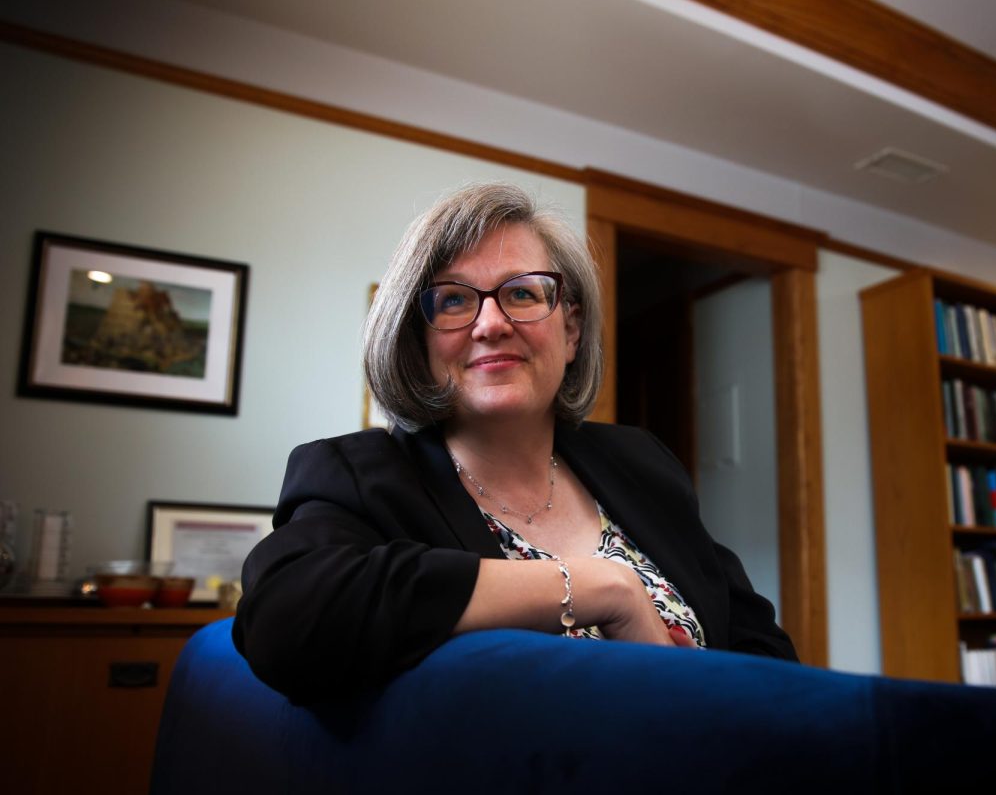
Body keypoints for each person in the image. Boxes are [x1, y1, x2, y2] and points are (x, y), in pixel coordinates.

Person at [233, 183, 796, 699]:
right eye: (453, 301)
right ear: (420, 343)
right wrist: (601, 588)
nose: (490, 323)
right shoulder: (356, 474)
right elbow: (285, 620)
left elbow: (763, 652)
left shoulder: (641, 461)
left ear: (571, 330)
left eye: (523, 294)